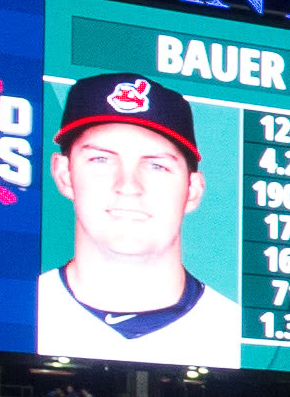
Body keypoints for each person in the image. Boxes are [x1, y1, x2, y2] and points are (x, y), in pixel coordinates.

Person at [33, 74, 240, 368]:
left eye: (156, 165)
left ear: (193, 190)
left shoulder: (236, 330)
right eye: (101, 160)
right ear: (64, 175)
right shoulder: (14, 311)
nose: (128, 185)